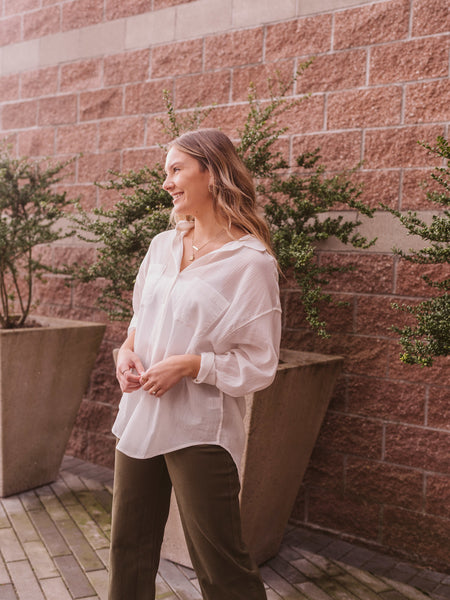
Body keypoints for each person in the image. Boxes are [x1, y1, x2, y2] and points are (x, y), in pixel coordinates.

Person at [109, 128, 282, 600]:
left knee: (220, 563)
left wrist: (189, 365)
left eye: (176, 169)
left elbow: (259, 362)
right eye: (166, 172)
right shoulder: (162, 246)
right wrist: (125, 353)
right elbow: (140, 322)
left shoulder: (250, 262)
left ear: (212, 172)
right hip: (141, 416)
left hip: (199, 428)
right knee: (128, 548)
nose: (166, 182)